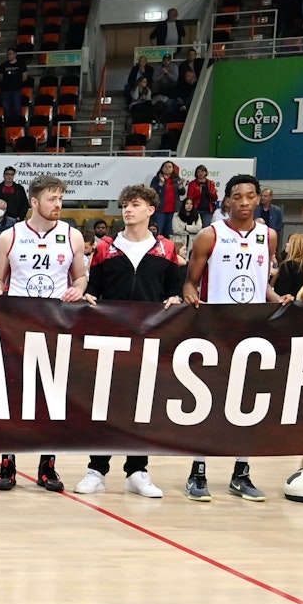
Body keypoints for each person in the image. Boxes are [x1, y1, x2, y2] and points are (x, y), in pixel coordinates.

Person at [180, 175, 290, 500]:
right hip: (214, 328)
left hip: (253, 329)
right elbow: (190, 282)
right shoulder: (208, 235)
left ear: (259, 199)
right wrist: (189, 295)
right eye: (237, 196)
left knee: (248, 403)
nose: (244, 202)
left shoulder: (268, 236)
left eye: (250, 196)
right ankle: (197, 472)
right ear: (227, 201)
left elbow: (262, 282)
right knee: (207, 402)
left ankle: (241, 473)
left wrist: (276, 298)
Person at [77, 184, 186, 499]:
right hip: (110, 339)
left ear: (151, 210)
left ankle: (137, 471)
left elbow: (172, 293)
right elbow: (93, 291)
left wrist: (175, 300)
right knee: (106, 404)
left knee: (142, 406)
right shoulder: (104, 248)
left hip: (148, 339)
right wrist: (88, 299)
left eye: (135, 204)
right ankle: (96, 470)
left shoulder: (166, 249)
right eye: (125, 204)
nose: (128, 209)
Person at [0, 175, 88, 492]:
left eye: (61, 199)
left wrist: (78, 289)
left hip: (55, 327)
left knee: (52, 400)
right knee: (12, 398)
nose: (58, 205)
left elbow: (81, 276)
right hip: (16, 327)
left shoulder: (73, 236)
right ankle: (8, 464)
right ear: (34, 201)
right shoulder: (10, 236)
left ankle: (48, 466)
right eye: (52, 199)